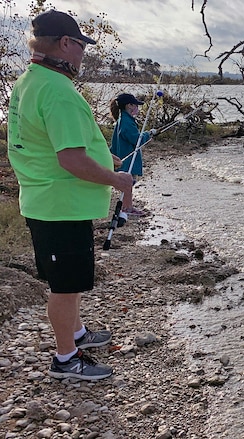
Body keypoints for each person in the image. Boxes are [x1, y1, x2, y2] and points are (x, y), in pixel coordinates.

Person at [6, 10, 134, 380]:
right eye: (80, 46)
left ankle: (77, 333)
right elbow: (70, 160)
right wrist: (116, 179)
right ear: (65, 44)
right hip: (59, 205)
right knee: (65, 286)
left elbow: (50, 142)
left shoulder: (31, 80)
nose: (83, 54)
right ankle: (66, 359)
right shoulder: (58, 91)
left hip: (48, 201)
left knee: (71, 281)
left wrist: (101, 154)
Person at [109, 92, 156, 226]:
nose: (137, 108)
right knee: (128, 183)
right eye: (135, 105)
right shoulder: (126, 121)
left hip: (122, 156)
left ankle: (127, 206)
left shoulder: (124, 119)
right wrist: (148, 134)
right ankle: (128, 208)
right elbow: (136, 139)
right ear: (129, 105)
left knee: (128, 184)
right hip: (127, 158)